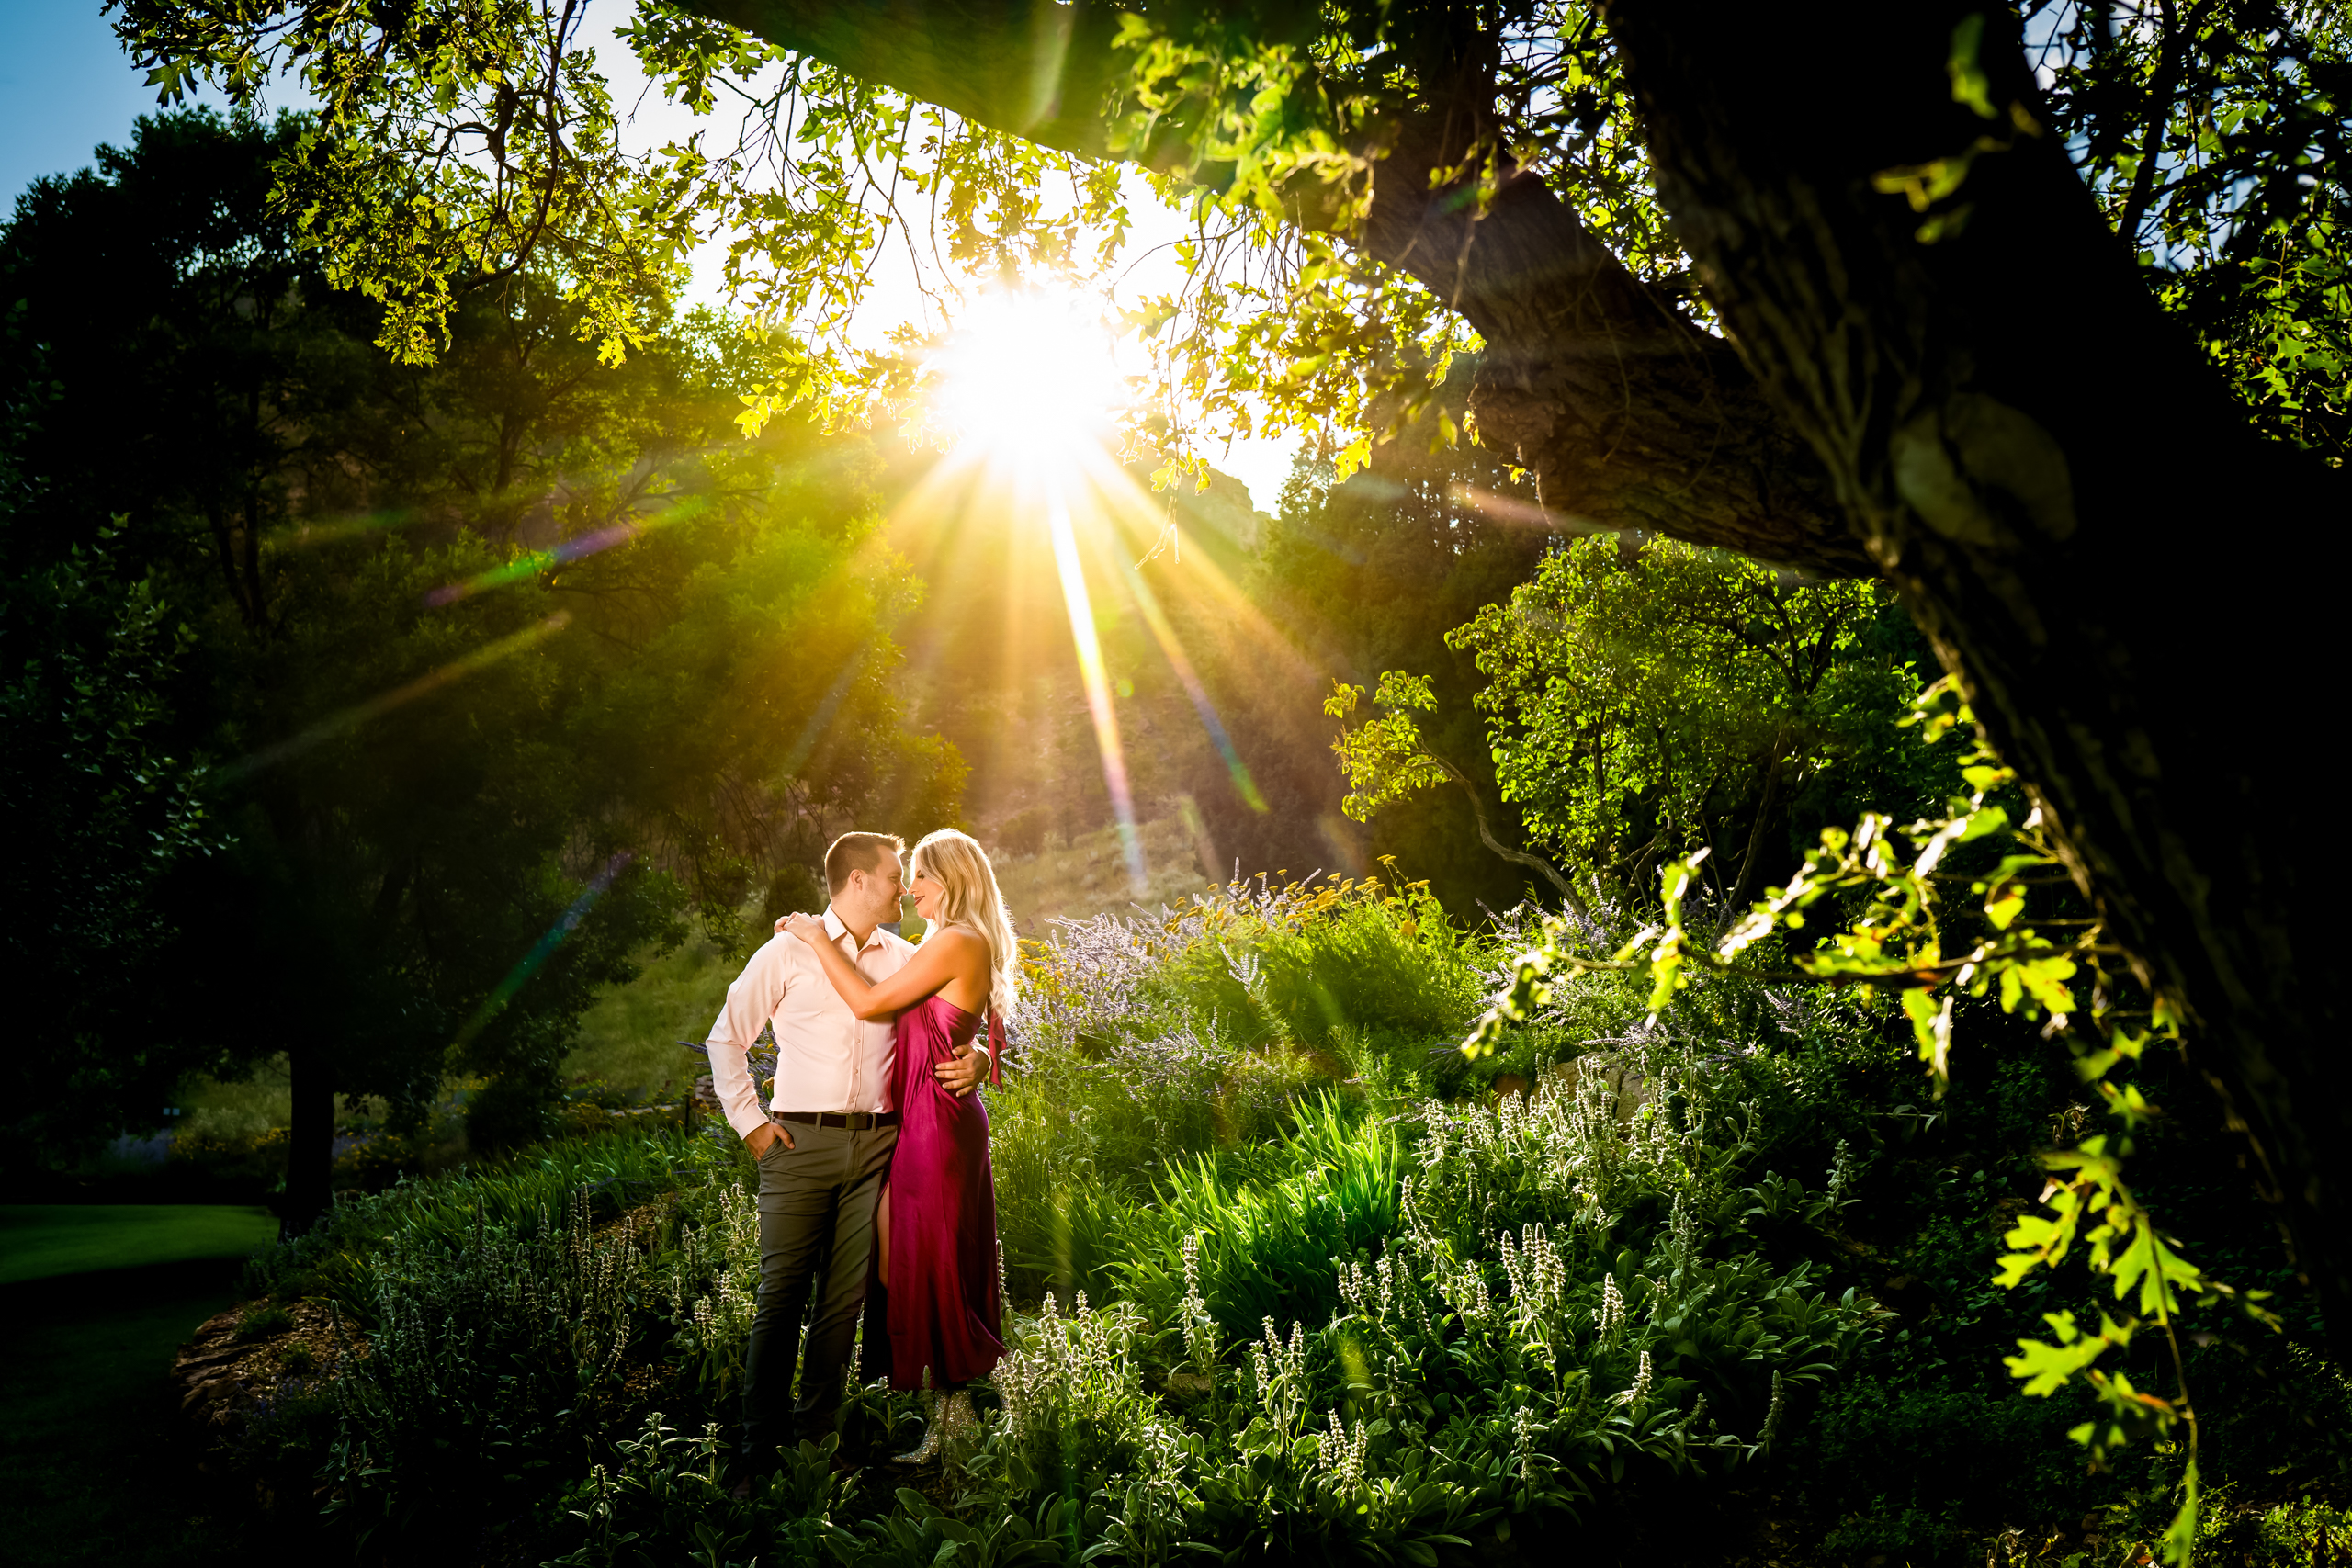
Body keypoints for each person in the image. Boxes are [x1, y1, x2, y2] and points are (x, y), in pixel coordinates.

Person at [704, 830, 985, 1489]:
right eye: (893, 875)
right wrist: (752, 1125)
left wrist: (983, 1058)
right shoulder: (786, 951)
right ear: (857, 880)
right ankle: (756, 1451)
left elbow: (963, 1011)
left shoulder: (906, 954)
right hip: (799, 1142)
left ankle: (816, 1445)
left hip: (881, 1147)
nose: (903, 887)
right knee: (781, 1298)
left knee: (843, 1304)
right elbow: (726, 1039)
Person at [777, 826, 1016, 1462]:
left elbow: (869, 1002)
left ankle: (956, 1415)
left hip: (935, 1122)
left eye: (920, 875)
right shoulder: (940, 943)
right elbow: (969, 1021)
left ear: (949, 880)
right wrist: (986, 1050)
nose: (909, 887)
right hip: (921, 1119)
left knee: (928, 1258)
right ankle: (947, 1402)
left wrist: (816, 936)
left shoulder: (959, 939)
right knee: (902, 1261)